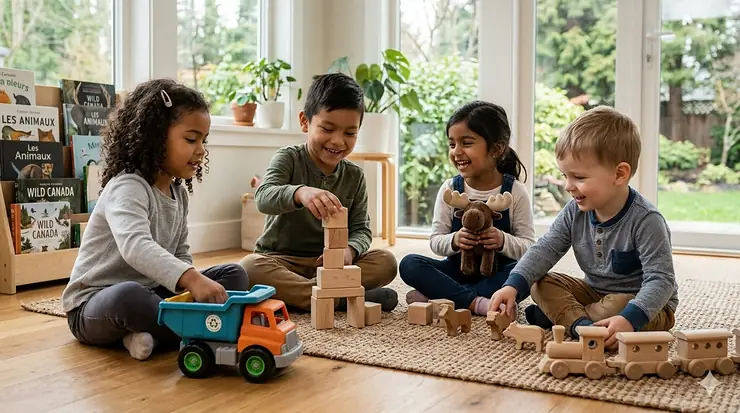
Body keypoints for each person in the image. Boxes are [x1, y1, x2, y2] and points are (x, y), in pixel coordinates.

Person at [61, 79, 249, 361]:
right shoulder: (126, 186)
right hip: (94, 305)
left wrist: (189, 285)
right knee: (130, 297)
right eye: (190, 139)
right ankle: (204, 329)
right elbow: (135, 246)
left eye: (203, 141)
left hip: (153, 290)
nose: (201, 150)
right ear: (155, 136)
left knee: (234, 275)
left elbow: (181, 253)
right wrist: (191, 280)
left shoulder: (177, 192)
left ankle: (162, 333)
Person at [489, 106, 678, 348]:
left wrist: (629, 320)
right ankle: (581, 325)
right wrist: (512, 286)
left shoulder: (647, 220)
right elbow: (545, 249)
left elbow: (662, 280)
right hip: (592, 291)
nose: (568, 186)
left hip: (646, 305)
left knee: (618, 305)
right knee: (539, 282)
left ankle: (563, 318)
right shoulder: (574, 210)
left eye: (578, 178)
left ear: (619, 174)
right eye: (565, 176)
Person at [240, 73, 398, 312]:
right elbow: (264, 197)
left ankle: (313, 295)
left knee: (386, 261)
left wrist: (349, 250)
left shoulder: (354, 175)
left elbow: (361, 229)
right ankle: (339, 298)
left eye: (349, 133)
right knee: (247, 268)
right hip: (282, 261)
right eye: (327, 128)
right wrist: (300, 193)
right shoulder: (288, 158)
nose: (337, 141)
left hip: (332, 265)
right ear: (305, 122)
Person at [399, 101, 535, 316]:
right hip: (457, 270)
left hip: (497, 272)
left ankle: (444, 298)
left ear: (497, 149)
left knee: (529, 275)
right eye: (452, 144)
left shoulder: (515, 191)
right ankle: (477, 302)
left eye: (467, 143)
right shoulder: (450, 189)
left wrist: (502, 240)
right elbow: (436, 240)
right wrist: (454, 240)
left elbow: (529, 247)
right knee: (409, 264)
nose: (457, 152)